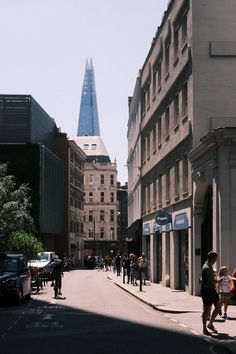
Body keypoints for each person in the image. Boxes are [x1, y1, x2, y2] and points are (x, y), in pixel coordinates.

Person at [200, 251, 221, 335]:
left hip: (212, 290)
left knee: (218, 306)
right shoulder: (207, 268)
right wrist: (219, 280)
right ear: (212, 258)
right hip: (207, 291)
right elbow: (212, 281)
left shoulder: (208, 265)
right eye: (215, 258)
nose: (216, 260)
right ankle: (204, 328)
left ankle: (210, 324)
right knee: (207, 310)